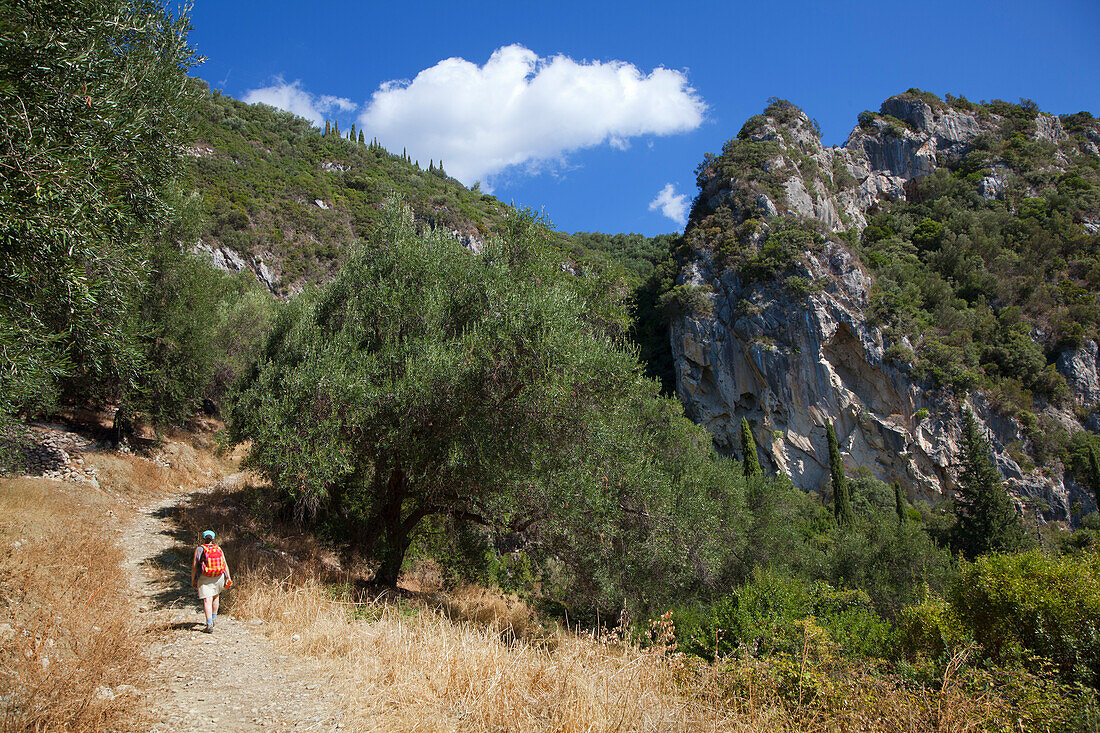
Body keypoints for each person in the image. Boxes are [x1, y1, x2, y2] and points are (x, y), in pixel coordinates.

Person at [191, 530, 232, 633]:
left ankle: (209, 624)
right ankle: (213, 619)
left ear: (203, 538)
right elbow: (224, 564)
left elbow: (194, 566)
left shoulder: (200, 549)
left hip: (205, 577)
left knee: (207, 600)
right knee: (216, 596)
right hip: (219, 576)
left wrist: (193, 579)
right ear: (213, 538)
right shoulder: (218, 548)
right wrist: (228, 577)